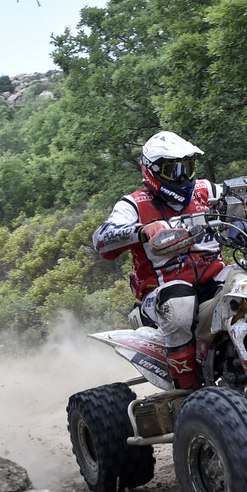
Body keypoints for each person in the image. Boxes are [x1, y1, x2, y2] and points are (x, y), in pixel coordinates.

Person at [92, 131, 230, 390]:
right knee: (179, 302)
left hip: (215, 277)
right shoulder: (133, 204)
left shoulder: (207, 190)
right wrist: (141, 231)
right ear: (152, 172)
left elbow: (245, 206)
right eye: (173, 170)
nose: (182, 177)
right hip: (161, 293)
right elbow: (101, 240)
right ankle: (188, 389)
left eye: (187, 168)